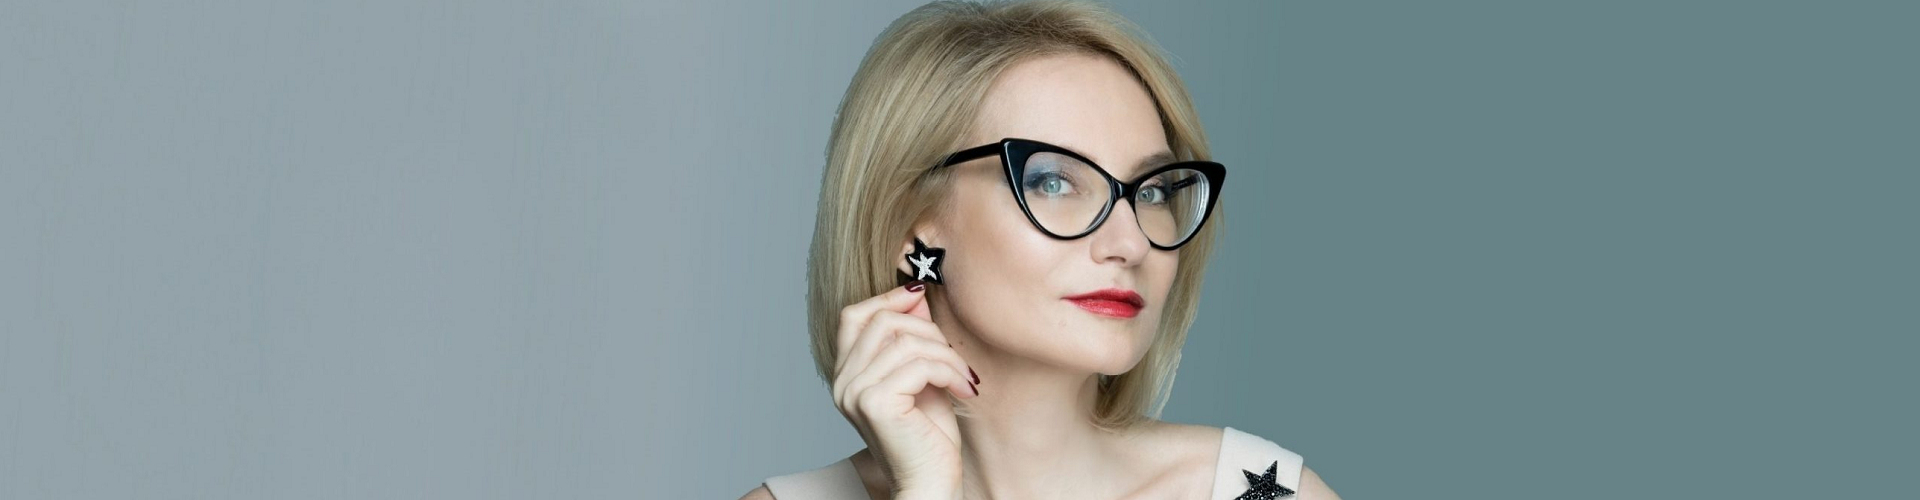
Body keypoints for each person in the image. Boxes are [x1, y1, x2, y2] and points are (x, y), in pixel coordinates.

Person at [745, 1, 1341, 498]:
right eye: (1052, 182)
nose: (1131, 242)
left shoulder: (1263, 492)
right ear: (913, 227)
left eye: (1152, 191)